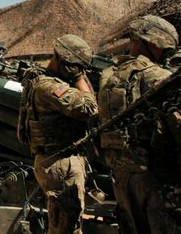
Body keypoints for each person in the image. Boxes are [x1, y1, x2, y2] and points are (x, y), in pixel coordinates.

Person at [98, 15, 180, 234]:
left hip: (122, 176)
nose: (165, 54)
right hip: (157, 178)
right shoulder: (157, 76)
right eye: (164, 49)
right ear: (153, 43)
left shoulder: (108, 77)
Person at [18, 34, 98, 234]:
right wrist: (79, 78)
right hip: (60, 164)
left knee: (67, 222)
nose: (80, 72)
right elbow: (89, 108)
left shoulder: (47, 81)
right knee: (65, 227)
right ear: (65, 62)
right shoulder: (49, 86)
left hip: (59, 161)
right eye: (77, 66)